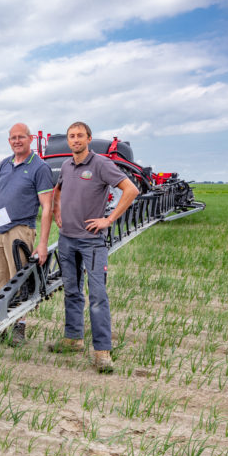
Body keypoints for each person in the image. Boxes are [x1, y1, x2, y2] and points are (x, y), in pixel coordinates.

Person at [52, 121, 139, 372]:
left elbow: (131, 190)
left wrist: (109, 220)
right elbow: (58, 190)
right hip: (67, 240)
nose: (75, 139)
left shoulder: (101, 164)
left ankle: (102, 352)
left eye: (80, 135)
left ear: (89, 139)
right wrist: (57, 210)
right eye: (72, 136)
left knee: (98, 296)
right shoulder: (66, 166)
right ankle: (73, 339)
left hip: (91, 241)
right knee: (72, 290)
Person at [0, 123, 54, 344]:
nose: (17, 141)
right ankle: (1, 324)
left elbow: (47, 207)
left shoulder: (40, 167)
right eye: (13, 138)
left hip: (20, 230)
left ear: (30, 139)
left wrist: (42, 244)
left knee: (19, 281)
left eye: (21, 137)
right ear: (9, 141)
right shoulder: (4, 164)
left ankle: (19, 326)